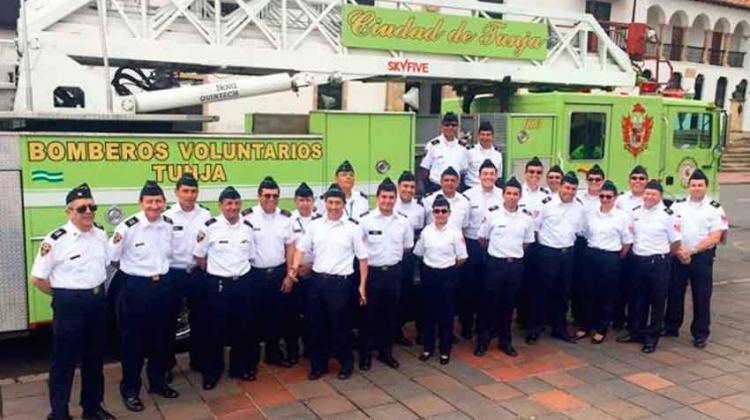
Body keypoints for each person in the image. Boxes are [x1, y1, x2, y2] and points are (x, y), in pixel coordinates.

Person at [31, 183, 114, 420]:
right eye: (81, 208)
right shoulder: (56, 240)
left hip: (96, 302)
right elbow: (37, 278)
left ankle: (92, 408)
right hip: (69, 305)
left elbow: (106, 264)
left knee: (95, 359)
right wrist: (62, 296)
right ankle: (59, 412)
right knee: (63, 362)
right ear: (69, 212)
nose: (88, 211)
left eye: (91, 207)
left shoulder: (99, 234)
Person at [109, 181, 178, 412]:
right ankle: (130, 390)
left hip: (163, 286)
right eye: (150, 201)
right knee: (133, 344)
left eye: (158, 201)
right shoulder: (128, 227)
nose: (155, 206)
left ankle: (158, 383)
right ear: (141, 203)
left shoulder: (168, 224)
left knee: (161, 339)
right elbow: (113, 257)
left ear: (164, 203)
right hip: (136, 288)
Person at [291, 184, 368, 381]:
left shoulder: (352, 228)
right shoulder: (315, 226)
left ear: (343, 204)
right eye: (330, 202)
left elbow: (362, 258)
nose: (333, 206)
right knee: (316, 327)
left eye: (338, 203)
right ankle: (318, 366)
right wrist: (294, 268)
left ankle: (346, 365)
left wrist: (362, 286)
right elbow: (301, 248)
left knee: (340, 327)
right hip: (318, 282)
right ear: (324, 203)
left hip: (340, 284)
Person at [194, 186, 258, 389]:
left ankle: (240, 367)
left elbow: (251, 255)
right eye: (229, 203)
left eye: (237, 203)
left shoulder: (248, 227)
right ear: (220, 206)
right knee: (215, 330)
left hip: (243, 283)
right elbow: (200, 257)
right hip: (218, 285)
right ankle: (212, 372)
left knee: (244, 328)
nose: (233, 207)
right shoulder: (209, 228)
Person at [665, 169, 729, 348]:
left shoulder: (714, 208)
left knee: (701, 295)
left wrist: (691, 251)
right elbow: (669, 228)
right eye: (693, 185)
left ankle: (700, 333)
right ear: (688, 186)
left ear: (706, 187)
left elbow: (716, 236)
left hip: (701, 256)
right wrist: (679, 251)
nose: (696, 188)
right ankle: (671, 326)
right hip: (679, 253)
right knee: (674, 291)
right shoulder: (678, 206)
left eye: (700, 185)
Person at [617, 180, 681, 353]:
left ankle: (652, 337)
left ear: (660, 196)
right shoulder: (635, 212)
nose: (649, 197)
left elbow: (676, 242)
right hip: (638, 260)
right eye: (647, 193)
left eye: (653, 194)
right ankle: (636, 332)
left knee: (657, 301)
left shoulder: (668, 215)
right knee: (638, 299)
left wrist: (664, 257)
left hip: (658, 262)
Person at [474, 177, 534, 358]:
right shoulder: (493, 215)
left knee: (508, 306)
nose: (512, 197)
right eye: (509, 193)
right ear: (503, 195)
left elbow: (527, 243)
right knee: (488, 304)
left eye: (516, 194)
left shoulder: (526, 218)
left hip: (515, 265)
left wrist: (512, 254)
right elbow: (482, 239)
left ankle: (505, 341)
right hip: (495, 265)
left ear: (520, 196)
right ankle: (482, 342)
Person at [359, 178, 414, 370]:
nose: (388, 201)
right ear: (378, 198)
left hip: (393, 273)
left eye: (391, 197)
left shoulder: (403, 222)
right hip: (372, 274)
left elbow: (407, 247)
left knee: (390, 316)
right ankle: (365, 355)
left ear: (396, 199)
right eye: (384, 197)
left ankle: (386, 353)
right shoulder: (365, 220)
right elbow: (358, 249)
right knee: (368, 316)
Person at [244, 176, 298, 368]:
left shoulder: (285, 218)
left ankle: (273, 354)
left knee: (277, 317)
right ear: (259, 196)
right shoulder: (248, 217)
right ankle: (250, 360)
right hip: (255, 275)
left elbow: (291, 247)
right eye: (267, 195)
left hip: (278, 273)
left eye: (275, 196)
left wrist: (290, 274)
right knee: (253, 319)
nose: (271, 199)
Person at [163, 173, 212, 379]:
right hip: (174, 273)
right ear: (176, 192)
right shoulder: (168, 216)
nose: (189, 195)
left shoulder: (206, 215)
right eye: (185, 191)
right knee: (167, 321)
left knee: (200, 319)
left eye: (193, 191)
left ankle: (198, 360)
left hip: (197, 273)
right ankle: (166, 365)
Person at [527, 172, 584, 344]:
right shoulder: (546, 204)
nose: (570, 192)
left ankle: (559, 329)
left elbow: (579, 230)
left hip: (567, 253)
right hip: (547, 253)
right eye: (567, 187)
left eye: (574, 189)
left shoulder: (578, 206)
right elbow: (535, 228)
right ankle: (534, 329)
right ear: (560, 186)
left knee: (563, 293)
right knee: (541, 292)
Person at [414, 195, 468, 365]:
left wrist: (448, 268)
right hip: (429, 275)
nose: (440, 214)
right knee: (428, 314)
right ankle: (428, 348)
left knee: (446, 315)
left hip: (448, 276)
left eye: (443, 211)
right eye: (437, 211)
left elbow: (462, 258)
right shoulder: (426, 231)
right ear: (433, 213)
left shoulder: (455, 233)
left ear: (449, 213)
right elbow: (419, 253)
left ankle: (445, 351)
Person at [577, 181, 633, 344]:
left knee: (606, 294)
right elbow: (585, 234)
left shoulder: (622, 216)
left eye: (609, 196)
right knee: (587, 292)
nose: (605, 199)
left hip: (611, 257)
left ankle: (601, 328)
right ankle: (585, 326)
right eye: (602, 196)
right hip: (591, 254)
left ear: (615, 198)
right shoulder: (591, 214)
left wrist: (614, 257)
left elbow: (626, 243)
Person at [460, 159, 503, 340]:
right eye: (485, 174)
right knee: (470, 288)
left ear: (496, 176)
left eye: (492, 174)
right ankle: (467, 326)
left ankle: (486, 325)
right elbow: (463, 225)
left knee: (490, 288)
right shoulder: (468, 196)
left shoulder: (502, 195)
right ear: (479, 176)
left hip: (494, 246)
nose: (488, 177)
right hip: (473, 245)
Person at [612, 165, 649, 331]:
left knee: (638, 290)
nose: (637, 181)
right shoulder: (621, 200)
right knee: (619, 287)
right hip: (624, 248)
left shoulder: (650, 199)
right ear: (629, 181)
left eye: (641, 178)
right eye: (634, 178)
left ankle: (635, 323)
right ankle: (618, 319)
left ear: (646, 181)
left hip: (641, 250)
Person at [517, 157, 551, 327]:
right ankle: (520, 317)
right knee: (519, 281)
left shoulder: (546, 196)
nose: (534, 175)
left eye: (538, 172)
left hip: (537, 244)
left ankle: (533, 322)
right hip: (518, 243)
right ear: (525, 173)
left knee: (535, 283)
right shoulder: (517, 192)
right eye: (531, 172)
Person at [287, 182, 318, 362]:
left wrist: (310, 267)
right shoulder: (288, 220)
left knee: (313, 314)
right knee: (292, 316)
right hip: (295, 275)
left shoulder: (321, 220)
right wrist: (295, 269)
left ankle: (311, 348)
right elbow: (288, 248)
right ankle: (292, 351)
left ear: (313, 201)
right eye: (301, 200)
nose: (305, 203)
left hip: (314, 272)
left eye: (308, 200)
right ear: (295, 201)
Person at [393, 171, 425, 346]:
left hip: (410, 257)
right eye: (405, 186)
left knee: (407, 293)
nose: (409, 190)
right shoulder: (391, 205)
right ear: (399, 187)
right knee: (394, 295)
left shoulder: (419, 209)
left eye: (412, 187)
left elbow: (419, 232)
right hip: (393, 256)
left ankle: (399, 329)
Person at [572, 164, 605, 328]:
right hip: (581, 242)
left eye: (597, 179)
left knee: (599, 283)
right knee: (580, 281)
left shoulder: (608, 197)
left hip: (600, 244)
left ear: (603, 180)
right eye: (591, 179)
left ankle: (598, 318)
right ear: (586, 180)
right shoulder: (578, 196)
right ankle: (579, 316)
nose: (594, 182)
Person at [419, 113, 469, 193]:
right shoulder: (433, 145)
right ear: (442, 126)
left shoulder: (462, 148)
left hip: (455, 189)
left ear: (457, 127)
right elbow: (424, 169)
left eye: (453, 125)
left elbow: (463, 172)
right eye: (447, 125)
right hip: (436, 186)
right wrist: (428, 189)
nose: (450, 128)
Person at [464, 121, 503, 189]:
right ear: (478, 136)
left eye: (488, 135)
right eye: (483, 134)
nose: (485, 137)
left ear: (492, 136)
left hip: (491, 190)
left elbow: (498, 176)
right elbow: (463, 172)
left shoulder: (498, 155)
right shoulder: (469, 152)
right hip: (472, 189)